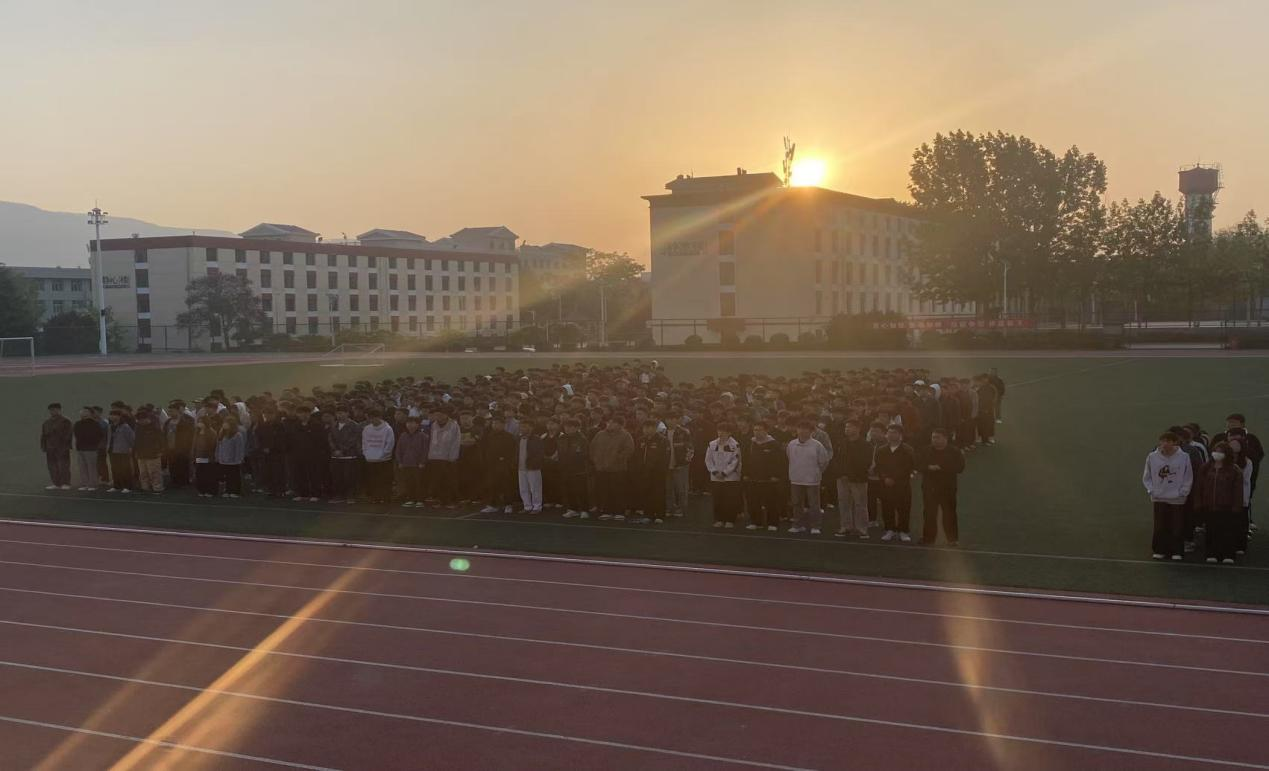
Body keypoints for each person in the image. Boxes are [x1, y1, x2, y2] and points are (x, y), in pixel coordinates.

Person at [1141, 431, 1193, 561]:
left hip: (1177, 499)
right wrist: (1151, 490)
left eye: (1168, 441)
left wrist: (1183, 492)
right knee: (1160, 525)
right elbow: (1147, 476)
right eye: (1163, 441)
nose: (1165, 444)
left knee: (1177, 526)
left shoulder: (1184, 457)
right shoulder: (1152, 457)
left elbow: (1188, 476)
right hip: (1159, 497)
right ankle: (1159, 550)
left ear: (1174, 443)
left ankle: (1177, 551)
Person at [1193, 442, 1241, 564]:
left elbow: (1238, 490)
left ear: (1227, 454)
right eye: (1216, 451)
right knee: (1211, 530)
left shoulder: (1234, 470)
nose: (1217, 454)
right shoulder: (1205, 468)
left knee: (1227, 531)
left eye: (1221, 452)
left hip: (1227, 506)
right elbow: (1199, 487)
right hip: (1209, 505)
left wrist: (1236, 506)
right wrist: (1198, 502)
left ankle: (1228, 554)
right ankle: (1212, 553)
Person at [917, 428, 966, 546]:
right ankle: (928, 538)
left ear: (945, 438)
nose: (935, 440)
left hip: (948, 488)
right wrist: (928, 467)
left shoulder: (954, 451)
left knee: (949, 514)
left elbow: (960, 467)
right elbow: (918, 465)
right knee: (929, 514)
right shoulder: (925, 450)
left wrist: (942, 468)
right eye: (933, 437)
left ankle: (952, 539)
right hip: (929, 489)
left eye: (937, 437)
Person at [873, 425, 916, 543]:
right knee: (887, 507)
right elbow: (879, 467)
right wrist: (885, 478)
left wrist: (895, 478)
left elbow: (909, 467)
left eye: (894, 432)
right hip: (886, 484)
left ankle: (903, 531)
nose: (891, 435)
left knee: (904, 508)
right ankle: (889, 530)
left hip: (902, 484)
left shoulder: (907, 450)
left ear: (900, 435)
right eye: (889, 432)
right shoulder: (881, 450)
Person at [787, 420, 830, 535]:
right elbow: (789, 458)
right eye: (800, 428)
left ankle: (815, 526)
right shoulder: (791, 444)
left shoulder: (817, 445)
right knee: (796, 503)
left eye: (805, 429)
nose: (802, 431)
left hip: (812, 480)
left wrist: (816, 472)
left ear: (811, 431)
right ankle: (797, 525)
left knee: (814, 504)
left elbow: (824, 461)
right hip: (795, 478)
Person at [834, 419, 873, 539]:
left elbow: (865, 463)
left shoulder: (866, 445)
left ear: (858, 429)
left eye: (850, 427)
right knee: (843, 503)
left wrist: (850, 474)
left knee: (860, 504)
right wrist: (841, 474)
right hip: (842, 478)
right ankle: (845, 526)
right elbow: (837, 460)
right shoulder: (841, 443)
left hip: (858, 479)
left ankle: (862, 529)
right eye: (846, 427)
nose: (847, 429)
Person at [590, 417, 634, 521]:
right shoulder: (600, 434)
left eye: (613, 423)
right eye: (609, 422)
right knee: (604, 490)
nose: (610, 424)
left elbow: (629, 450)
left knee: (618, 490)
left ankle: (619, 512)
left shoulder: (625, 435)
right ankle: (606, 511)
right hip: (601, 468)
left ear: (620, 425)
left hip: (618, 469)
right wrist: (596, 461)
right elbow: (592, 448)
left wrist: (618, 459)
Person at [744, 420, 785, 531]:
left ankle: (773, 523)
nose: (757, 432)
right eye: (755, 430)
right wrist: (746, 473)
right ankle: (756, 522)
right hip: (753, 478)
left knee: (771, 502)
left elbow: (780, 461)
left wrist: (776, 475)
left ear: (766, 430)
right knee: (753, 502)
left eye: (759, 430)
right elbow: (746, 459)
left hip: (769, 479)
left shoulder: (774, 444)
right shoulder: (750, 443)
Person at [705, 422, 743, 528]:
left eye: (723, 431)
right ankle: (719, 519)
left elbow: (736, 461)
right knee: (718, 499)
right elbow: (708, 460)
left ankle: (730, 520)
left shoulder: (735, 445)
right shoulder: (712, 444)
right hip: (716, 477)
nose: (720, 433)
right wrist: (714, 471)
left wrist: (725, 472)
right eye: (719, 430)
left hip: (731, 477)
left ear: (729, 433)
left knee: (730, 499)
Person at [632, 419, 669, 524]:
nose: (646, 430)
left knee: (659, 493)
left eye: (649, 427)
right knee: (646, 492)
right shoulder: (640, 440)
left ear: (655, 428)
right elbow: (636, 456)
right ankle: (648, 514)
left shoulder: (662, 440)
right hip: (644, 471)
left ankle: (660, 515)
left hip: (658, 472)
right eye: (645, 428)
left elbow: (665, 457)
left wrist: (660, 469)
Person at [425, 408, 461, 507]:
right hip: (435, 456)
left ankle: (451, 501)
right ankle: (441, 500)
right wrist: (430, 455)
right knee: (438, 480)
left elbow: (456, 442)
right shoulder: (434, 425)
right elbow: (432, 441)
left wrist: (453, 456)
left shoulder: (454, 425)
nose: (438, 417)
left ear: (446, 415)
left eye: (440, 415)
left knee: (449, 480)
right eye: (436, 415)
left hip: (448, 457)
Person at [361, 409, 396, 504]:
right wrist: (365, 453)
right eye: (370, 418)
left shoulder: (387, 429)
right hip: (370, 458)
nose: (372, 420)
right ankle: (375, 497)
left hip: (384, 459)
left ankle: (385, 497)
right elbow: (364, 442)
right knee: (373, 479)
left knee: (384, 479)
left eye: (374, 418)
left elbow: (390, 443)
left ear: (379, 417)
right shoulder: (367, 428)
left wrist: (384, 454)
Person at [558, 418, 591, 518]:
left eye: (570, 426)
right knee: (569, 490)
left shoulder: (582, 439)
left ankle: (584, 510)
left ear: (577, 428)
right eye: (566, 426)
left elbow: (585, 454)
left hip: (579, 469)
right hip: (565, 468)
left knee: (581, 490)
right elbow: (560, 451)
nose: (567, 428)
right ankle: (573, 509)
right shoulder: (562, 438)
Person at [328, 406, 362, 503]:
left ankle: (350, 496)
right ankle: (339, 495)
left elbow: (354, 440)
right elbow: (330, 438)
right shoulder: (333, 425)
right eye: (338, 413)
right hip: (335, 456)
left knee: (349, 477)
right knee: (337, 477)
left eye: (342, 412)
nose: (340, 415)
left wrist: (342, 450)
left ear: (347, 413)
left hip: (349, 455)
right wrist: (335, 449)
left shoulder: (354, 425)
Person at [396, 416, 429, 507]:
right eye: (408, 423)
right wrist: (400, 461)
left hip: (418, 464)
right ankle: (411, 499)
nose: (410, 425)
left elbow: (425, 450)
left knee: (419, 482)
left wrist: (422, 462)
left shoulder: (423, 436)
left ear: (417, 424)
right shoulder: (403, 435)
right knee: (409, 482)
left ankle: (420, 500)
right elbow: (398, 449)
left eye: (412, 423)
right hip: (406, 463)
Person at [665, 413, 693, 517]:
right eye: (668, 418)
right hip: (666, 465)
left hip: (681, 465)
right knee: (668, 488)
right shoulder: (663, 432)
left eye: (672, 418)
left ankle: (682, 509)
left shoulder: (684, 432)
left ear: (677, 420)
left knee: (681, 488)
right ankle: (669, 508)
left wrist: (685, 462)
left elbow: (690, 448)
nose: (669, 421)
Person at [40, 402, 73, 490]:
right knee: (52, 466)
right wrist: (44, 446)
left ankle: (66, 483)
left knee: (64, 466)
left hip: (62, 448)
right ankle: (56, 483)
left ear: (59, 410)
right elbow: (43, 435)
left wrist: (65, 445)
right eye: (51, 410)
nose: (52, 411)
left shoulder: (65, 421)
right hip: (50, 448)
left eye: (54, 410)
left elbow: (68, 435)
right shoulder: (46, 422)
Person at [134, 407, 166, 494]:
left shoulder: (155, 427)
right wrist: (136, 451)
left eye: (140, 420)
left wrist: (160, 451)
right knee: (143, 472)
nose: (139, 422)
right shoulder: (138, 427)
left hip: (153, 453)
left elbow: (161, 440)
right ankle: (145, 487)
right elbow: (136, 440)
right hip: (141, 453)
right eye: (138, 420)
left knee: (154, 472)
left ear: (146, 419)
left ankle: (157, 488)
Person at [163, 403, 195, 489]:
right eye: (169, 411)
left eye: (172, 411)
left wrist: (187, 447)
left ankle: (184, 482)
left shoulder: (186, 421)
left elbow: (190, 435)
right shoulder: (168, 422)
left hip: (182, 448)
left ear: (178, 411)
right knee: (172, 465)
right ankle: (174, 481)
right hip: (170, 448)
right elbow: (164, 434)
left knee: (182, 466)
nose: (170, 413)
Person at [72, 407, 105, 490]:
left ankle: (93, 484)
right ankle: (85, 484)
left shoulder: (95, 424)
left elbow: (100, 435)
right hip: (80, 448)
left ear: (90, 413)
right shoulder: (77, 424)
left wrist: (94, 443)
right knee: (82, 467)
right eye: (82, 411)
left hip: (91, 449)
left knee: (92, 467)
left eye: (85, 411)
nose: (82, 412)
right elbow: (75, 434)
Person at [516, 420, 545, 514]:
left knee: (535, 488)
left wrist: (535, 463)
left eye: (525, 426)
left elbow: (540, 453)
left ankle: (537, 506)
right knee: (523, 488)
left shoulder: (537, 439)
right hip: (521, 467)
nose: (522, 428)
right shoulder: (518, 439)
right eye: (521, 426)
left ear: (531, 427)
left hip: (533, 467)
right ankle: (527, 506)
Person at [215, 415, 247, 498]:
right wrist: (217, 456)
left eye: (226, 423)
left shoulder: (237, 435)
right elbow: (218, 446)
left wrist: (239, 459)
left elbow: (239, 448)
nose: (224, 424)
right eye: (224, 423)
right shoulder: (221, 434)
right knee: (226, 476)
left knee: (234, 476)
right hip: (223, 460)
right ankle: (227, 490)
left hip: (234, 461)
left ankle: (235, 491)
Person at [105, 409, 135, 493]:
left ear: (120, 416)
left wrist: (130, 447)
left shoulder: (125, 426)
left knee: (125, 469)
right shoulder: (110, 426)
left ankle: (128, 486)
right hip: (112, 450)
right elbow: (108, 438)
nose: (112, 417)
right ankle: (117, 485)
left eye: (114, 415)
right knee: (115, 469)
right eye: (111, 415)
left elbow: (132, 438)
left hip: (123, 450)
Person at [193, 415, 219, 497]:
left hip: (208, 457)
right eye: (199, 422)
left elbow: (213, 446)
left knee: (208, 474)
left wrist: (209, 457)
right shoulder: (197, 432)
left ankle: (210, 491)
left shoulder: (212, 432)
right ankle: (202, 490)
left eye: (201, 422)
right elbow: (194, 444)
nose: (199, 423)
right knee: (200, 474)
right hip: (199, 456)